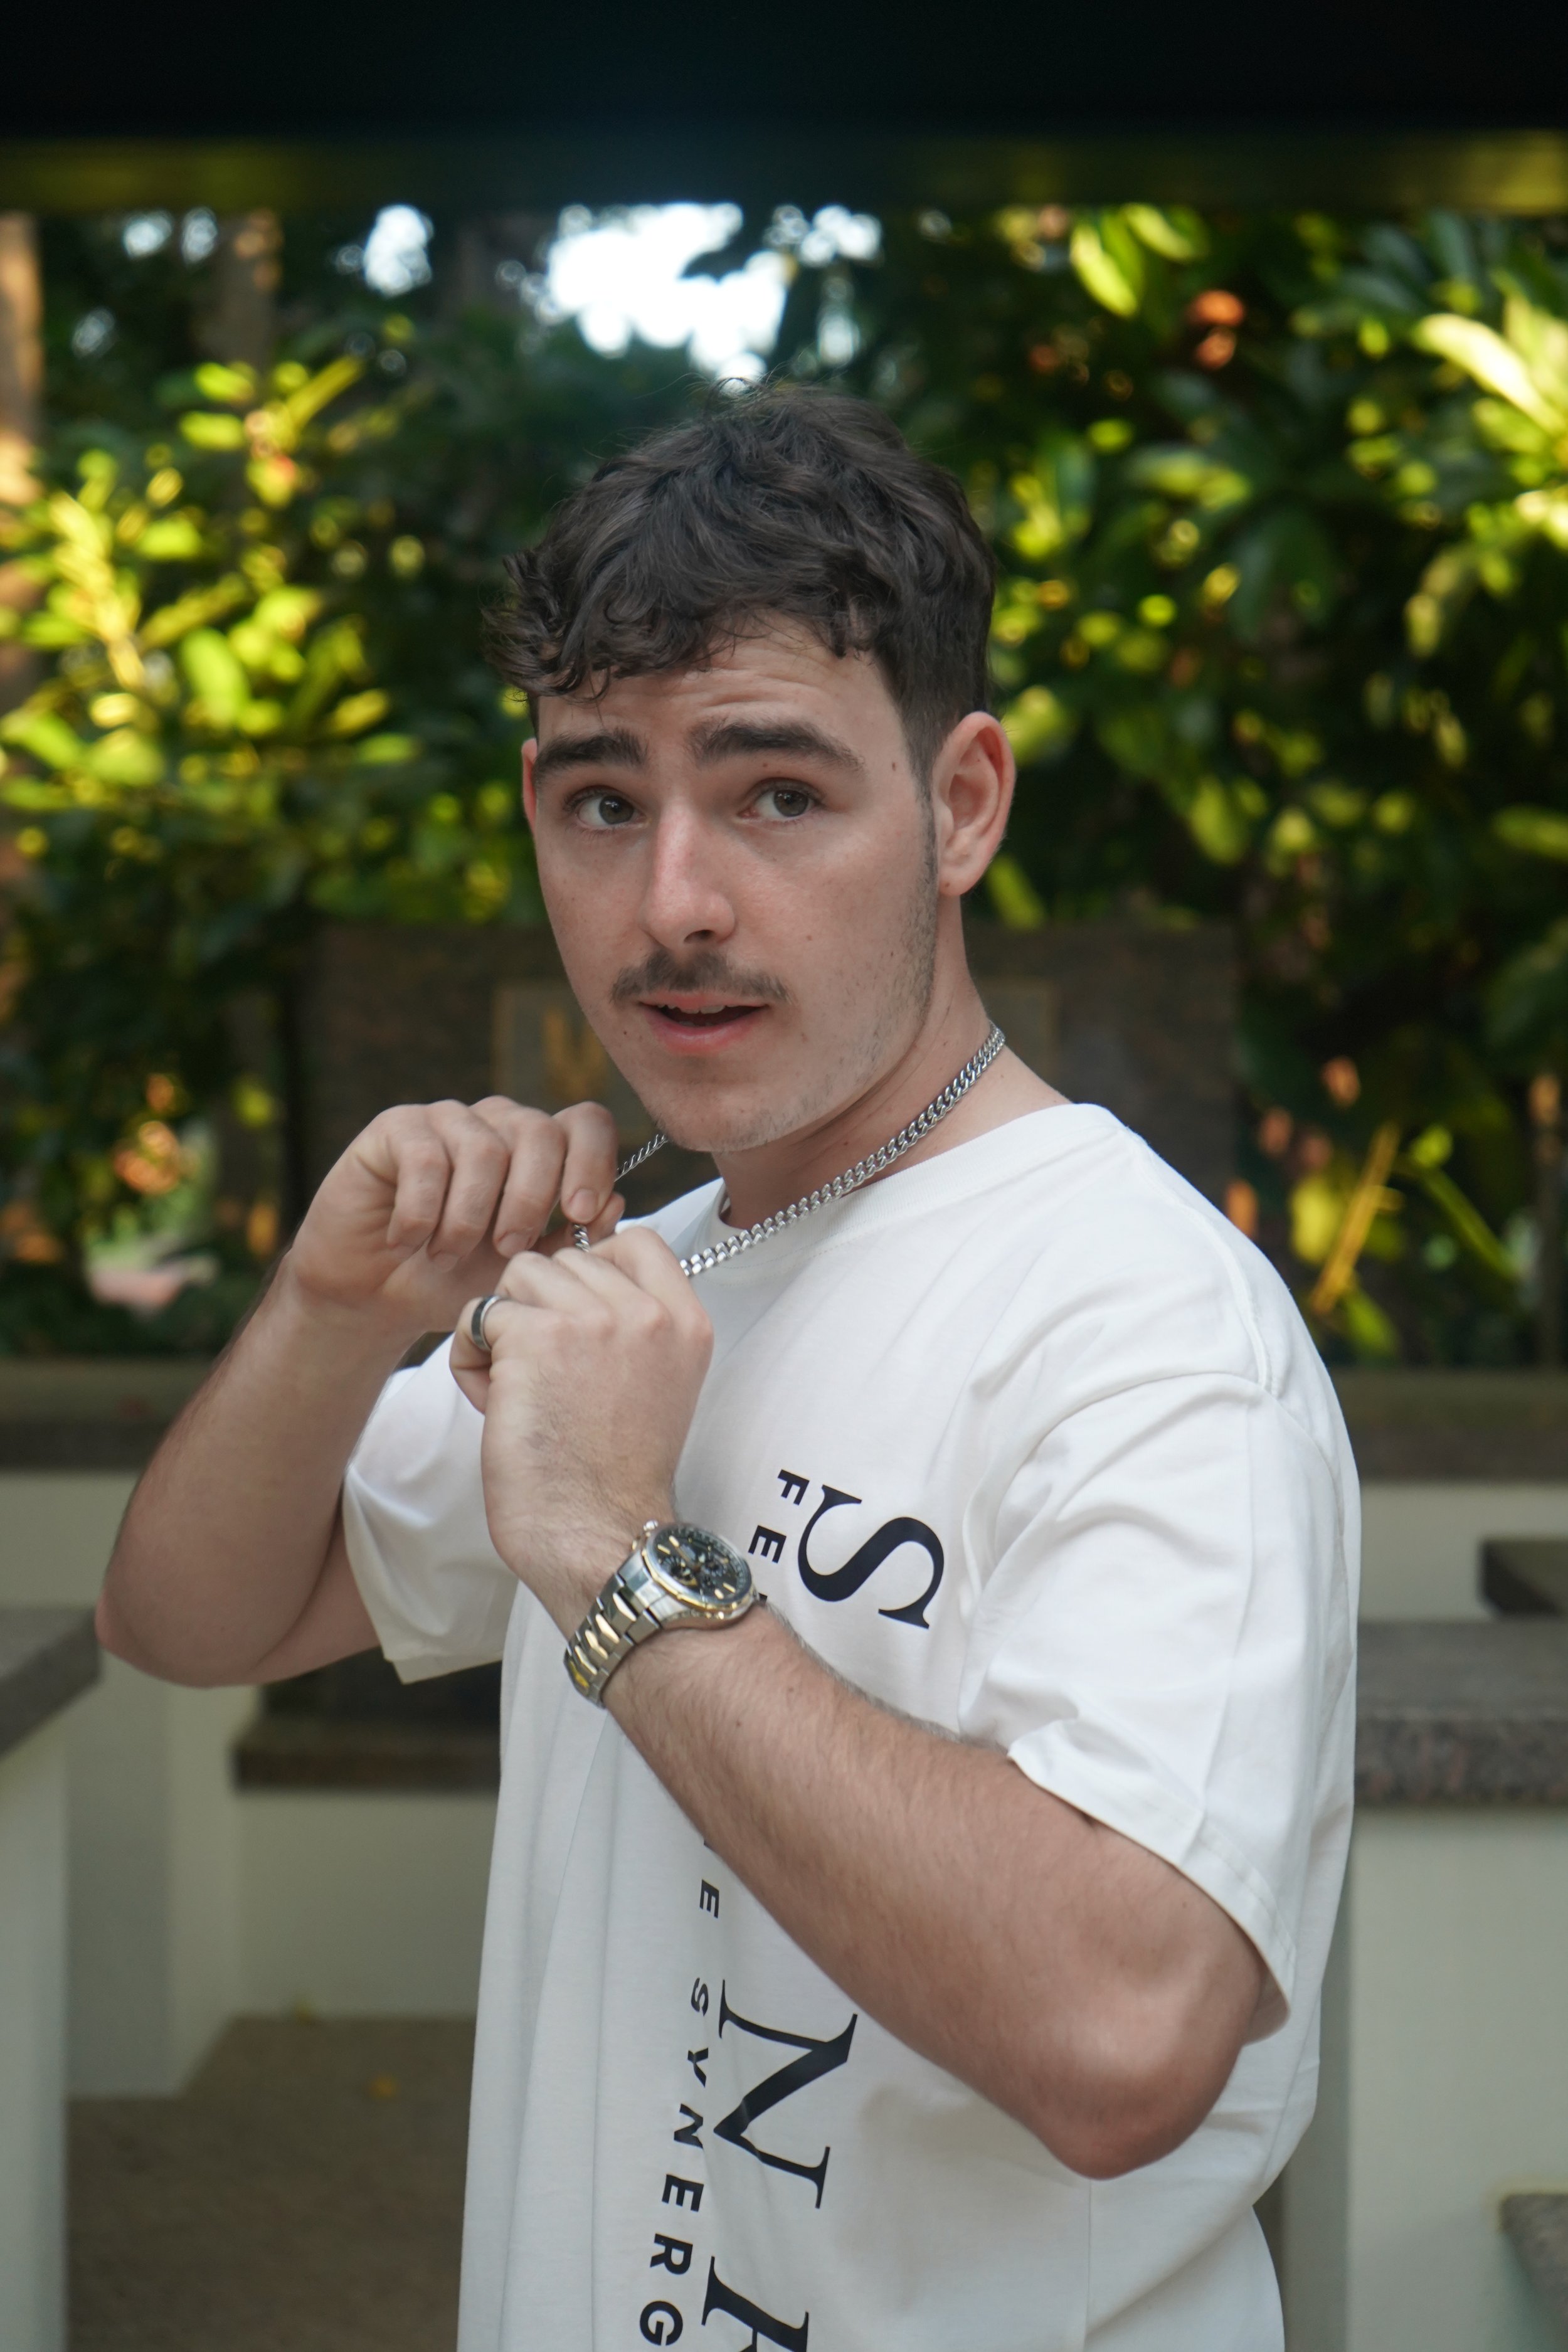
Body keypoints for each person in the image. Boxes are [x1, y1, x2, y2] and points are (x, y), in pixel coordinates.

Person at [99, 389, 1358, 2352]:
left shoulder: (1145, 1321)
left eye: (775, 794)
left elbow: (1127, 2041)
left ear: (959, 805)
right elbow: (186, 1618)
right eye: (605, 799)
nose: (672, 900)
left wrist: (616, 1554)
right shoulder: (650, 1277)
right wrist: (332, 1314)